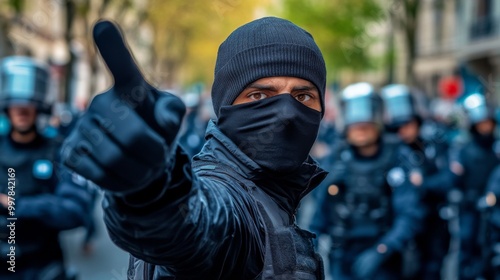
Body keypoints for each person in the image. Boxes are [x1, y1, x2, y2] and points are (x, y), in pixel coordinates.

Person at [61, 17, 329, 279]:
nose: (285, 114)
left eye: (302, 96)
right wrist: (151, 190)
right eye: (259, 95)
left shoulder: (276, 195)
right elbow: (198, 224)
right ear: (226, 106)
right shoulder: (231, 201)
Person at [309, 82, 424, 280]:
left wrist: (382, 250)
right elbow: (319, 215)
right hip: (342, 258)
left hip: (384, 257)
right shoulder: (336, 159)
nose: (360, 125)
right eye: (354, 117)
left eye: (366, 116)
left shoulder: (396, 157)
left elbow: (409, 215)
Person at [0, 56, 93, 279]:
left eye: (28, 103)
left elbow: (76, 210)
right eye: (16, 103)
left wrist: (16, 204)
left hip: (42, 267)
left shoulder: (58, 152)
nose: (22, 110)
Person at [380, 84, 452, 280]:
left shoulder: (431, 145)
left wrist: (423, 183)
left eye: (408, 124)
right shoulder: (389, 152)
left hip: (432, 221)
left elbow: (448, 179)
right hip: (401, 224)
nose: (403, 131)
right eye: (398, 127)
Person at [450, 92, 500, 280]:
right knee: (468, 246)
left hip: (492, 208)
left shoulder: (496, 148)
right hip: (470, 206)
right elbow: (455, 180)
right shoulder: (463, 150)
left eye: (487, 123)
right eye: (481, 124)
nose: (484, 127)